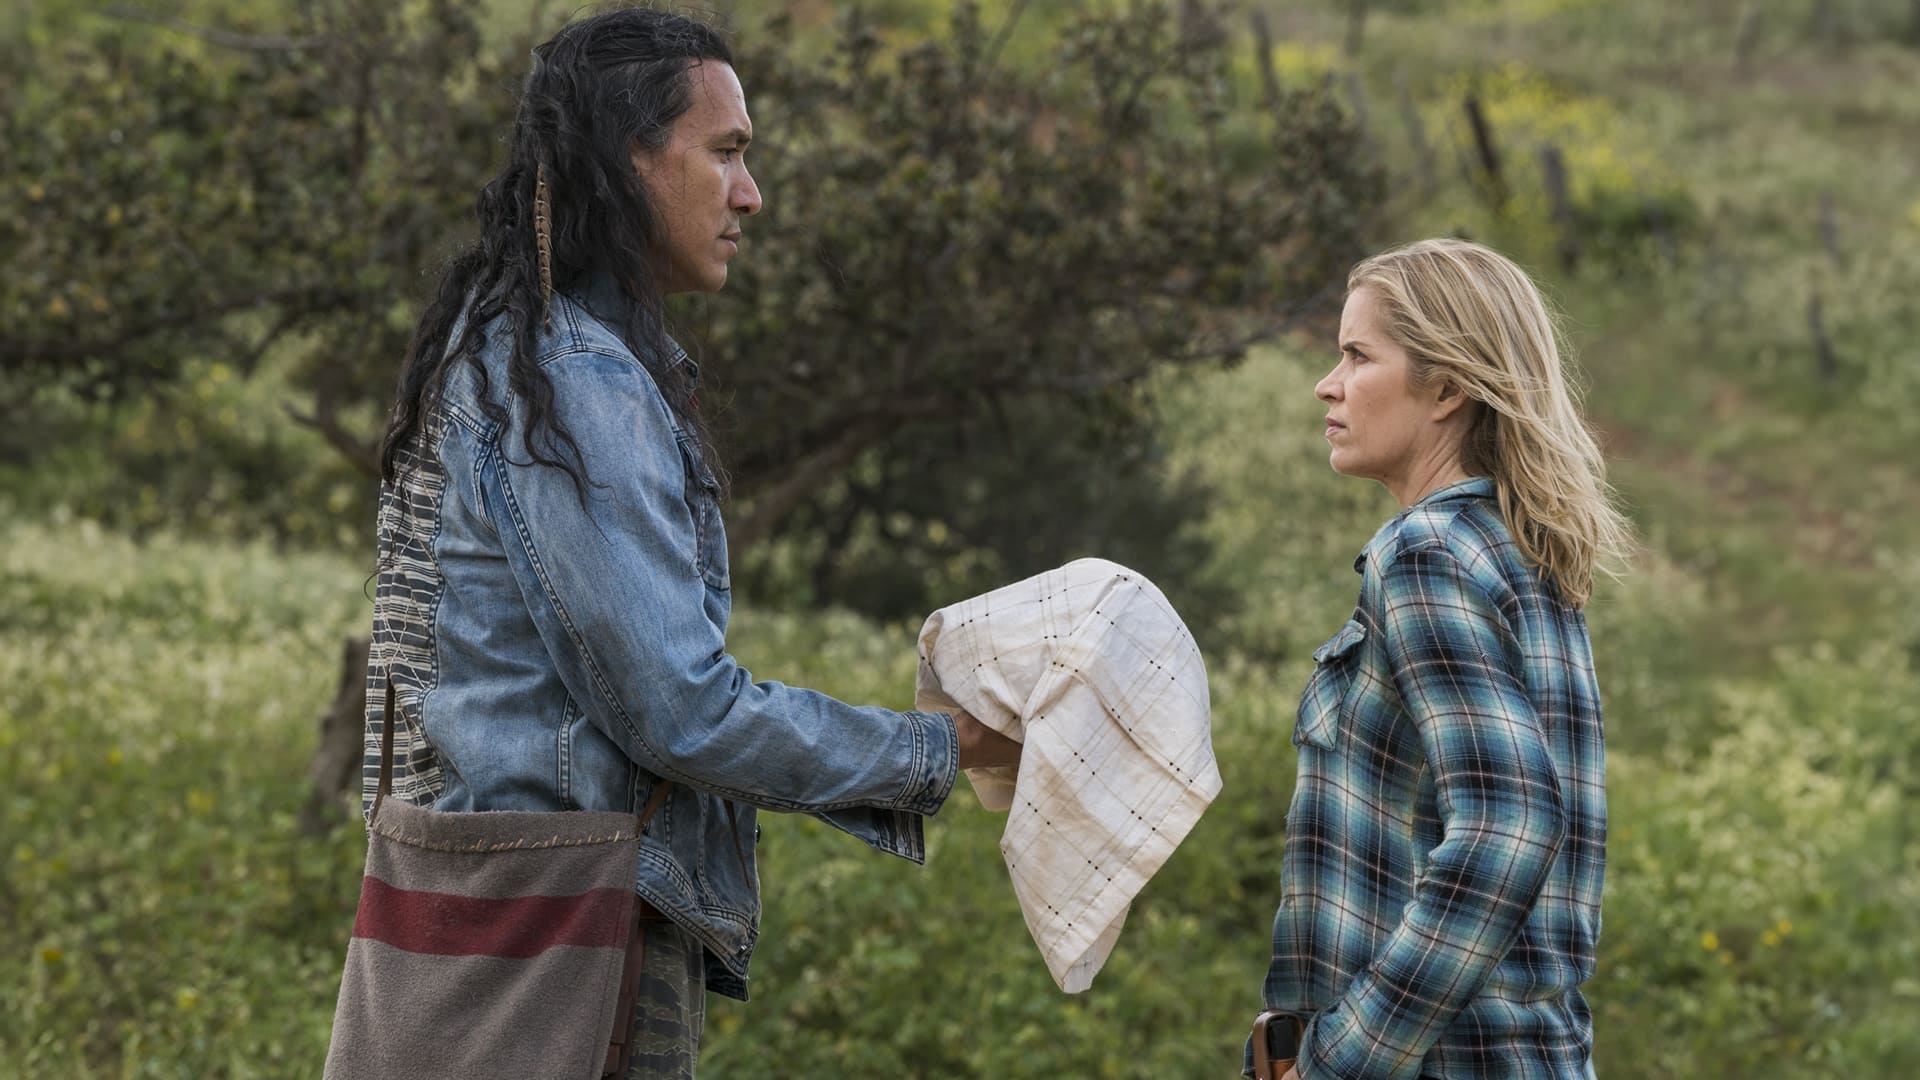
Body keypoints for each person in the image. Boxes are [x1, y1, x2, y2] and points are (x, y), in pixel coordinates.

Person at [366, 9, 1019, 1076]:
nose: (749, 194)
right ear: (627, 161)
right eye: (725, 152)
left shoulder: (506, 351)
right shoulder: (576, 381)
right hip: (565, 938)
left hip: (477, 923)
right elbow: (680, 709)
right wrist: (945, 747)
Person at [1250, 239, 1631, 1080]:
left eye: (1358, 356)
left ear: (1448, 388)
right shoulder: (1518, 556)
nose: (1328, 384)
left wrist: (1341, 1061)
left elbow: (1509, 827)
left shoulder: (1426, 556)